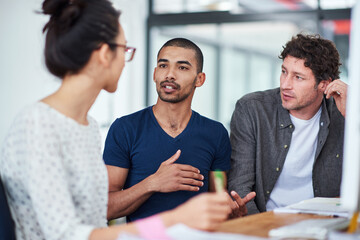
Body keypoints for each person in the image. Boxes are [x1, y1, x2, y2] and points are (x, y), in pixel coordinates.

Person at [0, 0, 232, 239]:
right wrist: (174, 220)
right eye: (125, 50)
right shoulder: (38, 125)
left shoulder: (86, 126)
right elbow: (66, 235)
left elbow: (96, 220)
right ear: (104, 54)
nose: (125, 61)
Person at [103, 38, 255, 222]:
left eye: (182, 67)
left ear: (199, 79)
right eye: (163, 65)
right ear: (154, 74)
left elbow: (219, 198)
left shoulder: (215, 133)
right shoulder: (125, 128)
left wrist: (231, 213)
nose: (170, 75)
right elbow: (106, 208)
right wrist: (152, 183)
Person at [227, 33, 348, 215]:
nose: (285, 84)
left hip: (325, 224)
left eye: (298, 77)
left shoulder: (342, 113)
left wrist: (353, 117)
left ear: (324, 85)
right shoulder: (252, 109)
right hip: (266, 223)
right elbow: (240, 188)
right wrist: (262, 230)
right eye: (284, 72)